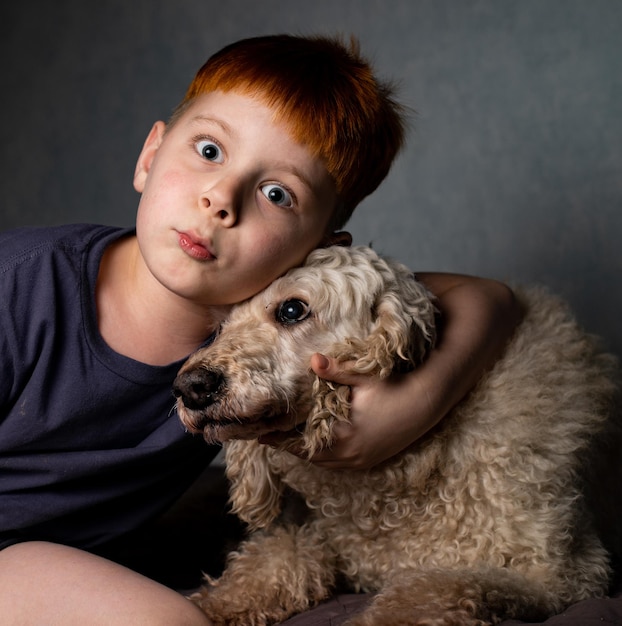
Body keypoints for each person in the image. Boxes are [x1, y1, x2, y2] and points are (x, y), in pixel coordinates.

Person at [0, 34, 521, 625]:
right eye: (209, 150)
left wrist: (409, 407)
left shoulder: (269, 328)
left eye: (277, 194)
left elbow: (492, 299)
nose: (221, 198)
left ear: (319, 251)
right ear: (150, 157)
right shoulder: (19, 288)